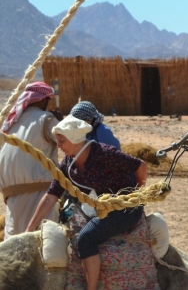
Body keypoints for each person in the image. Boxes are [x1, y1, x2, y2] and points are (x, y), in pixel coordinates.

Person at [27, 116, 148, 290]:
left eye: (62, 141)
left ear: (75, 140)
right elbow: (51, 196)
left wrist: (139, 196)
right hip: (101, 209)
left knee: (86, 239)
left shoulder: (105, 154)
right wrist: (29, 228)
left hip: (124, 209)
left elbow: (141, 166)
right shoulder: (68, 164)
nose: (58, 146)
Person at [0, 82, 60, 236]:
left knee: (14, 246)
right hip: (41, 194)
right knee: (43, 245)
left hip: (12, 199)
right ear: (42, 100)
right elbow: (70, 143)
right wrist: (61, 123)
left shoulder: (9, 125)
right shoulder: (45, 119)